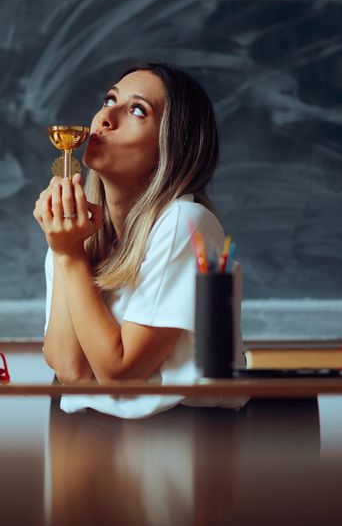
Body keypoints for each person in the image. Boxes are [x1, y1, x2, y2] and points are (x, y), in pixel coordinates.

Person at [33, 62, 245, 419]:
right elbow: (69, 371)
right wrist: (65, 251)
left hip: (182, 444)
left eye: (136, 110)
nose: (104, 117)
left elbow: (120, 373)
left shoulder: (185, 223)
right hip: (88, 437)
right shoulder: (76, 233)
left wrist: (69, 257)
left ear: (172, 147)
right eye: (109, 98)